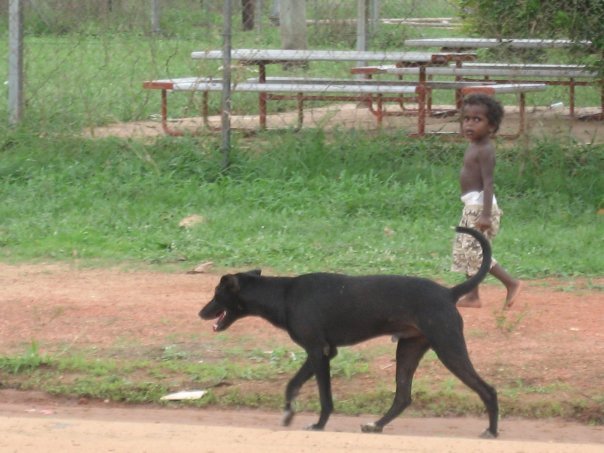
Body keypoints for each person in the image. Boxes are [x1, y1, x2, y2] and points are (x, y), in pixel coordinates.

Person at [451, 93, 521, 309]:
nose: (470, 124)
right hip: (471, 206)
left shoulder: (485, 149)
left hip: (480, 208)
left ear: (491, 127)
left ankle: (511, 283)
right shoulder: (474, 145)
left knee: (476, 251)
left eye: (477, 120)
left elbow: (488, 184)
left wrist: (485, 214)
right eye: (467, 119)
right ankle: (473, 296)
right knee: (465, 250)